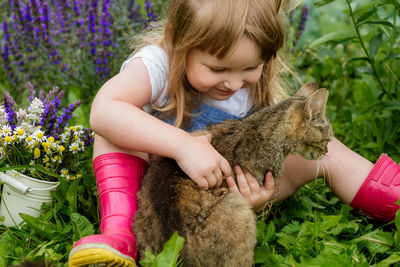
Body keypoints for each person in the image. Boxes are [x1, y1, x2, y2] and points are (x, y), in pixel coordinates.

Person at [68, 0, 400, 266]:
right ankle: (119, 235)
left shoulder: (248, 88)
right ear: (179, 42)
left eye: (250, 68)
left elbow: (261, 147)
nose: (234, 83)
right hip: (153, 189)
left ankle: (393, 197)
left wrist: (255, 196)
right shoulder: (157, 64)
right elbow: (103, 110)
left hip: (221, 192)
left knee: (321, 151)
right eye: (218, 69)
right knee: (114, 128)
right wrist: (183, 145)